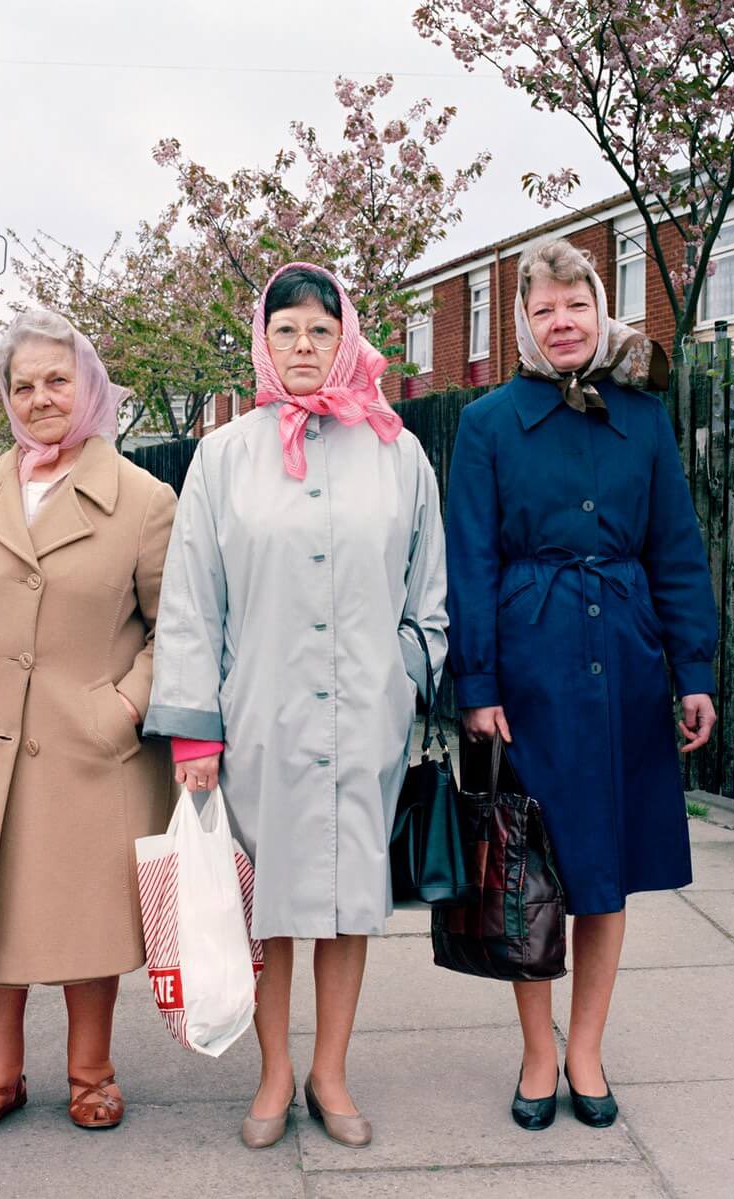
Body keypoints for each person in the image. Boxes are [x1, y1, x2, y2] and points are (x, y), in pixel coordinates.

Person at [144, 263, 447, 1149]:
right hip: (260, 719)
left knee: (350, 900)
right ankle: (275, 1072)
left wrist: (403, 674)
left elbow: (430, 592)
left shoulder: (398, 451)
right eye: (287, 331)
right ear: (263, 342)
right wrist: (196, 726)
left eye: (320, 329)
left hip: (365, 718)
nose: (304, 346)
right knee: (270, 902)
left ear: (345, 335)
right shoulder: (226, 455)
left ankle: (331, 1071)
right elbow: (191, 599)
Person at [445, 239, 718, 1132]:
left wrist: (694, 671)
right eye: (545, 308)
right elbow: (470, 564)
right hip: (528, 676)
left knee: (608, 870)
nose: (562, 322)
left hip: (628, 668)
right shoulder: (487, 425)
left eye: (577, 304)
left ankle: (588, 1048)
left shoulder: (640, 417)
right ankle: (536, 1051)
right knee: (529, 871)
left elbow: (675, 550)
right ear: (523, 320)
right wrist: (478, 684)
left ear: (600, 309)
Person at [0, 309, 177, 1142]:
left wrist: (123, 707)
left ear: (86, 384)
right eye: (23, 385)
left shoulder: (143, 499)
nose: (41, 397)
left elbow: (178, 629)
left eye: (57, 379)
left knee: (85, 917)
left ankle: (93, 1074)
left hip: (91, 747)